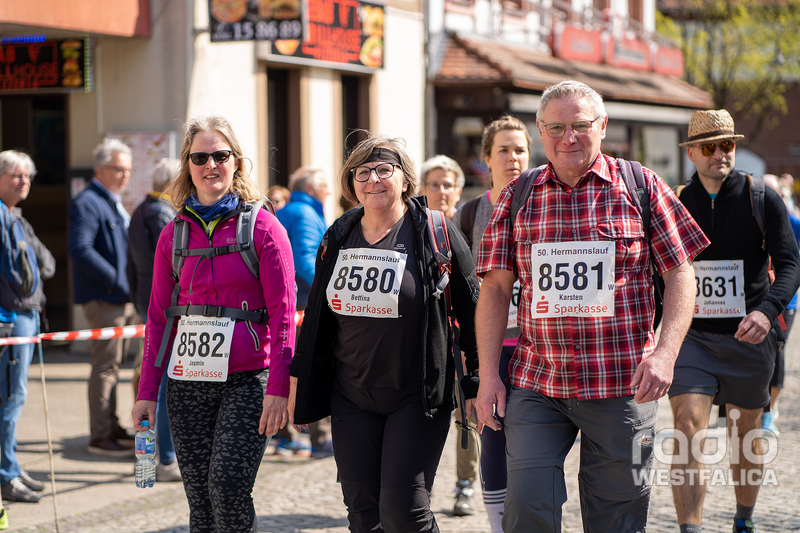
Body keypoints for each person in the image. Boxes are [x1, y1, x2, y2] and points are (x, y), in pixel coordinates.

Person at [474, 80, 709, 533]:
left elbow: (680, 273)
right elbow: (496, 289)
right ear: (540, 130)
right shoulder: (518, 194)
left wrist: (665, 353)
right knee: (527, 508)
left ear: (602, 127)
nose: (569, 138)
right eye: (556, 127)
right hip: (538, 382)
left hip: (622, 383)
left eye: (580, 126)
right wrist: (488, 375)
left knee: (616, 518)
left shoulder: (641, 185)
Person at [288, 136, 481, 532]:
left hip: (416, 396)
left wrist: (477, 381)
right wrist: (297, 380)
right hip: (351, 396)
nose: (372, 180)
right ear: (351, 183)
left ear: (405, 180)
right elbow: (318, 315)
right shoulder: (339, 233)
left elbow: (473, 310)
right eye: (362, 172)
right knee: (363, 514)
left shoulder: (435, 232)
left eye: (383, 170)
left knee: (404, 512)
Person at [131, 115, 296, 532]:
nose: (211, 165)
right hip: (187, 382)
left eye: (220, 156)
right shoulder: (173, 235)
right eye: (200, 157)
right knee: (201, 503)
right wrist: (147, 393)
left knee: (227, 488)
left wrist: (279, 388)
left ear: (236, 161)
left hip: (248, 381)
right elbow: (158, 318)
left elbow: (283, 316)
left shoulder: (264, 228)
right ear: (187, 165)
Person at [669, 110, 800, 533]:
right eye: (709, 147)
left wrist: (767, 311)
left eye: (727, 145)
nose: (720, 154)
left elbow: (791, 265)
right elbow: (658, 270)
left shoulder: (762, 198)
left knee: (745, 436)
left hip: (750, 337)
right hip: (694, 337)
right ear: (692, 153)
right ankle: (690, 528)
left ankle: (743, 519)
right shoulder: (676, 202)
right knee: (687, 425)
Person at [452, 117, 532, 531]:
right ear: (486, 158)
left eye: (520, 150)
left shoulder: (544, 202)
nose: (513, 158)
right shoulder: (469, 215)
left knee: (535, 443)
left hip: (538, 346)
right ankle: (499, 524)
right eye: (503, 150)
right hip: (493, 347)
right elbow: (458, 292)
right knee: (494, 437)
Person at [68, 138, 137, 457]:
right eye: (118, 169)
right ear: (100, 169)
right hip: (105, 297)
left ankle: (111, 424)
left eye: (128, 170)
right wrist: (117, 281)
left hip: (119, 296)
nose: (125, 175)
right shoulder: (88, 202)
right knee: (105, 366)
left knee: (114, 366)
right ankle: (100, 434)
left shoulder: (111, 201)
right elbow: (81, 249)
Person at [420, 154, 477, 517]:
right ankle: (418, 487)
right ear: (423, 189)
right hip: (432, 339)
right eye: (434, 184)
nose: (441, 191)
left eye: (448, 185)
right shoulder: (416, 228)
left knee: (467, 411)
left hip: (464, 336)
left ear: (458, 190)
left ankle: (465, 484)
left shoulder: (467, 227)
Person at [0, 151, 55, 503]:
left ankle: (11, 466)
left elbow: (47, 264)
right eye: (16, 175)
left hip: (26, 315)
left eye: (28, 176)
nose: (24, 182)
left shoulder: (15, 216)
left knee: (15, 397)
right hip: (10, 319)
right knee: (10, 398)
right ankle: (5, 475)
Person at [126, 157, 182, 482]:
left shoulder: (140, 211)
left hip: (148, 307)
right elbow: (175, 269)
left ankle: (149, 463)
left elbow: (131, 267)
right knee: (158, 387)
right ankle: (164, 460)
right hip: (164, 312)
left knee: (148, 383)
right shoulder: (163, 217)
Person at [274, 167, 332, 457]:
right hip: (304, 303)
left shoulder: (288, 211)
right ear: (311, 188)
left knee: (287, 367)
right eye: (324, 185)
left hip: (288, 302)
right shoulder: (305, 214)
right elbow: (306, 260)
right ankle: (319, 438)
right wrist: (330, 292)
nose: (328, 191)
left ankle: (285, 436)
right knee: (310, 367)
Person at [760, 174, 799, 436]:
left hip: (786, 300)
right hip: (754, 298)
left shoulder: (792, 222)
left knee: (777, 351)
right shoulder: (749, 217)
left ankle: (769, 412)